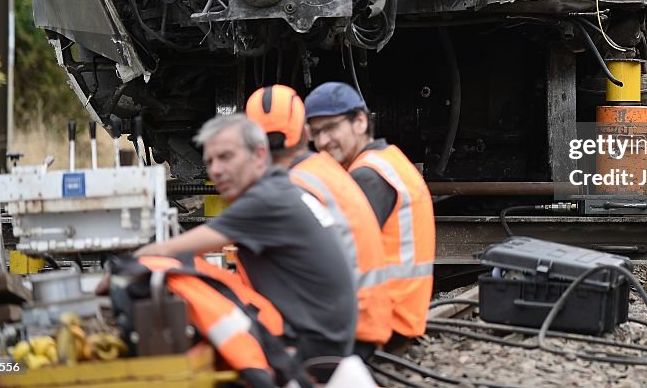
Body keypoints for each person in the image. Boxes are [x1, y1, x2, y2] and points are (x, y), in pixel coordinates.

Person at [134, 114, 357, 375]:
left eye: (226, 157)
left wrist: (119, 271)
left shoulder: (264, 201)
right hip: (330, 339)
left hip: (310, 351)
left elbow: (169, 250)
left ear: (259, 154)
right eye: (210, 161)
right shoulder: (279, 188)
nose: (215, 170)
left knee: (179, 276)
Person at [246, 84, 393, 358]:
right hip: (368, 319)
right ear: (304, 133)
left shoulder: (294, 185)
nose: (323, 141)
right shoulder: (325, 170)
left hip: (346, 330)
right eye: (318, 132)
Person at [304, 82, 435, 347]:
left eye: (330, 128)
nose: (322, 142)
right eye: (315, 133)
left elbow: (335, 254)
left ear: (360, 122)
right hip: (399, 312)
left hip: (383, 319)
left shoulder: (368, 176)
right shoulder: (388, 159)